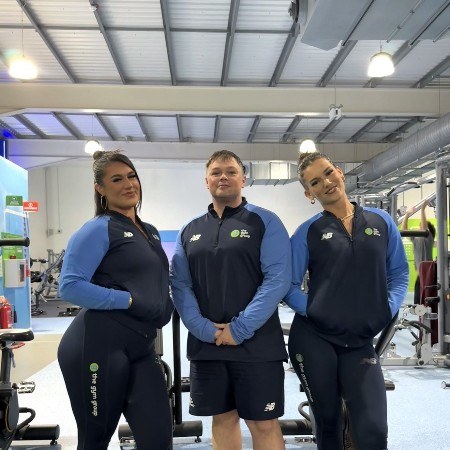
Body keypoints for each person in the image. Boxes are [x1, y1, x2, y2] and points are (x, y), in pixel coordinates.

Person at [284, 152, 409, 450]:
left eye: (328, 173)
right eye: (315, 182)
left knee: (374, 431)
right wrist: (315, 309)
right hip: (314, 340)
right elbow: (287, 285)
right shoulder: (307, 232)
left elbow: (399, 273)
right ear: (309, 194)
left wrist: (386, 307)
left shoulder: (382, 222)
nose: (326, 182)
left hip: (359, 342)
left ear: (339, 172)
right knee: (329, 424)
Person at [170, 150, 291, 450]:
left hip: (257, 345)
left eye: (231, 171)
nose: (223, 177)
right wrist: (204, 329)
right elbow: (180, 284)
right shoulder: (189, 229)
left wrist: (239, 329)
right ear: (206, 181)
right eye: (216, 172)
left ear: (243, 179)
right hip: (208, 345)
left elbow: (277, 280)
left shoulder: (266, 221)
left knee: (263, 424)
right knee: (222, 419)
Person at [57, 150, 173, 450]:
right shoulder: (97, 229)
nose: (129, 184)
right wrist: (128, 301)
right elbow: (70, 286)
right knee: (95, 441)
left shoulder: (150, 232)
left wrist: (165, 304)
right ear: (100, 188)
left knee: (159, 441)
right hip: (97, 345)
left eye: (132, 176)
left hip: (141, 347)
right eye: (117, 179)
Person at [401, 199, 436, 304]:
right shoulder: (416, 239)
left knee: (426, 302)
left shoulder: (428, 238)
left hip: (427, 273)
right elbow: (404, 230)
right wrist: (407, 214)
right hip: (420, 275)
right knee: (417, 303)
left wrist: (422, 209)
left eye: (420, 225)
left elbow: (424, 228)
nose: (419, 226)